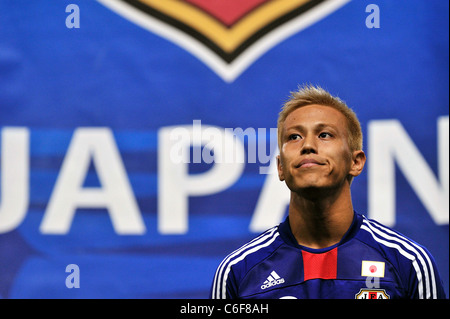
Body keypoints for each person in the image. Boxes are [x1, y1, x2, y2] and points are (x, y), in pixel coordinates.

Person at [210, 84, 446, 299]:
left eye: (325, 135)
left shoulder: (408, 263)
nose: (308, 145)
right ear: (280, 167)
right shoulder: (238, 272)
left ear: (356, 162)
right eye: (294, 137)